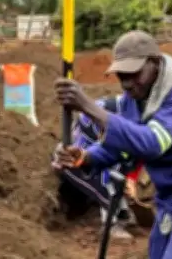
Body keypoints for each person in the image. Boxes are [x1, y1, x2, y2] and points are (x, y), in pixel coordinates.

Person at [53, 30, 172, 259]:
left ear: (155, 63)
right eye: (122, 76)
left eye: (134, 74)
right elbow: (125, 147)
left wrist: (87, 106)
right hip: (170, 200)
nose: (128, 83)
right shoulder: (137, 96)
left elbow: (151, 143)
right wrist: (84, 157)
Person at [54, 95, 145, 240]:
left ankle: (120, 211)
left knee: (122, 161)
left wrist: (132, 180)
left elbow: (140, 150)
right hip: (74, 155)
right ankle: (111, 224)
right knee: (113, 169)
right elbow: (108, 153)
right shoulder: (114, 114)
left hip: (94, 150)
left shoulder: (141, 116)